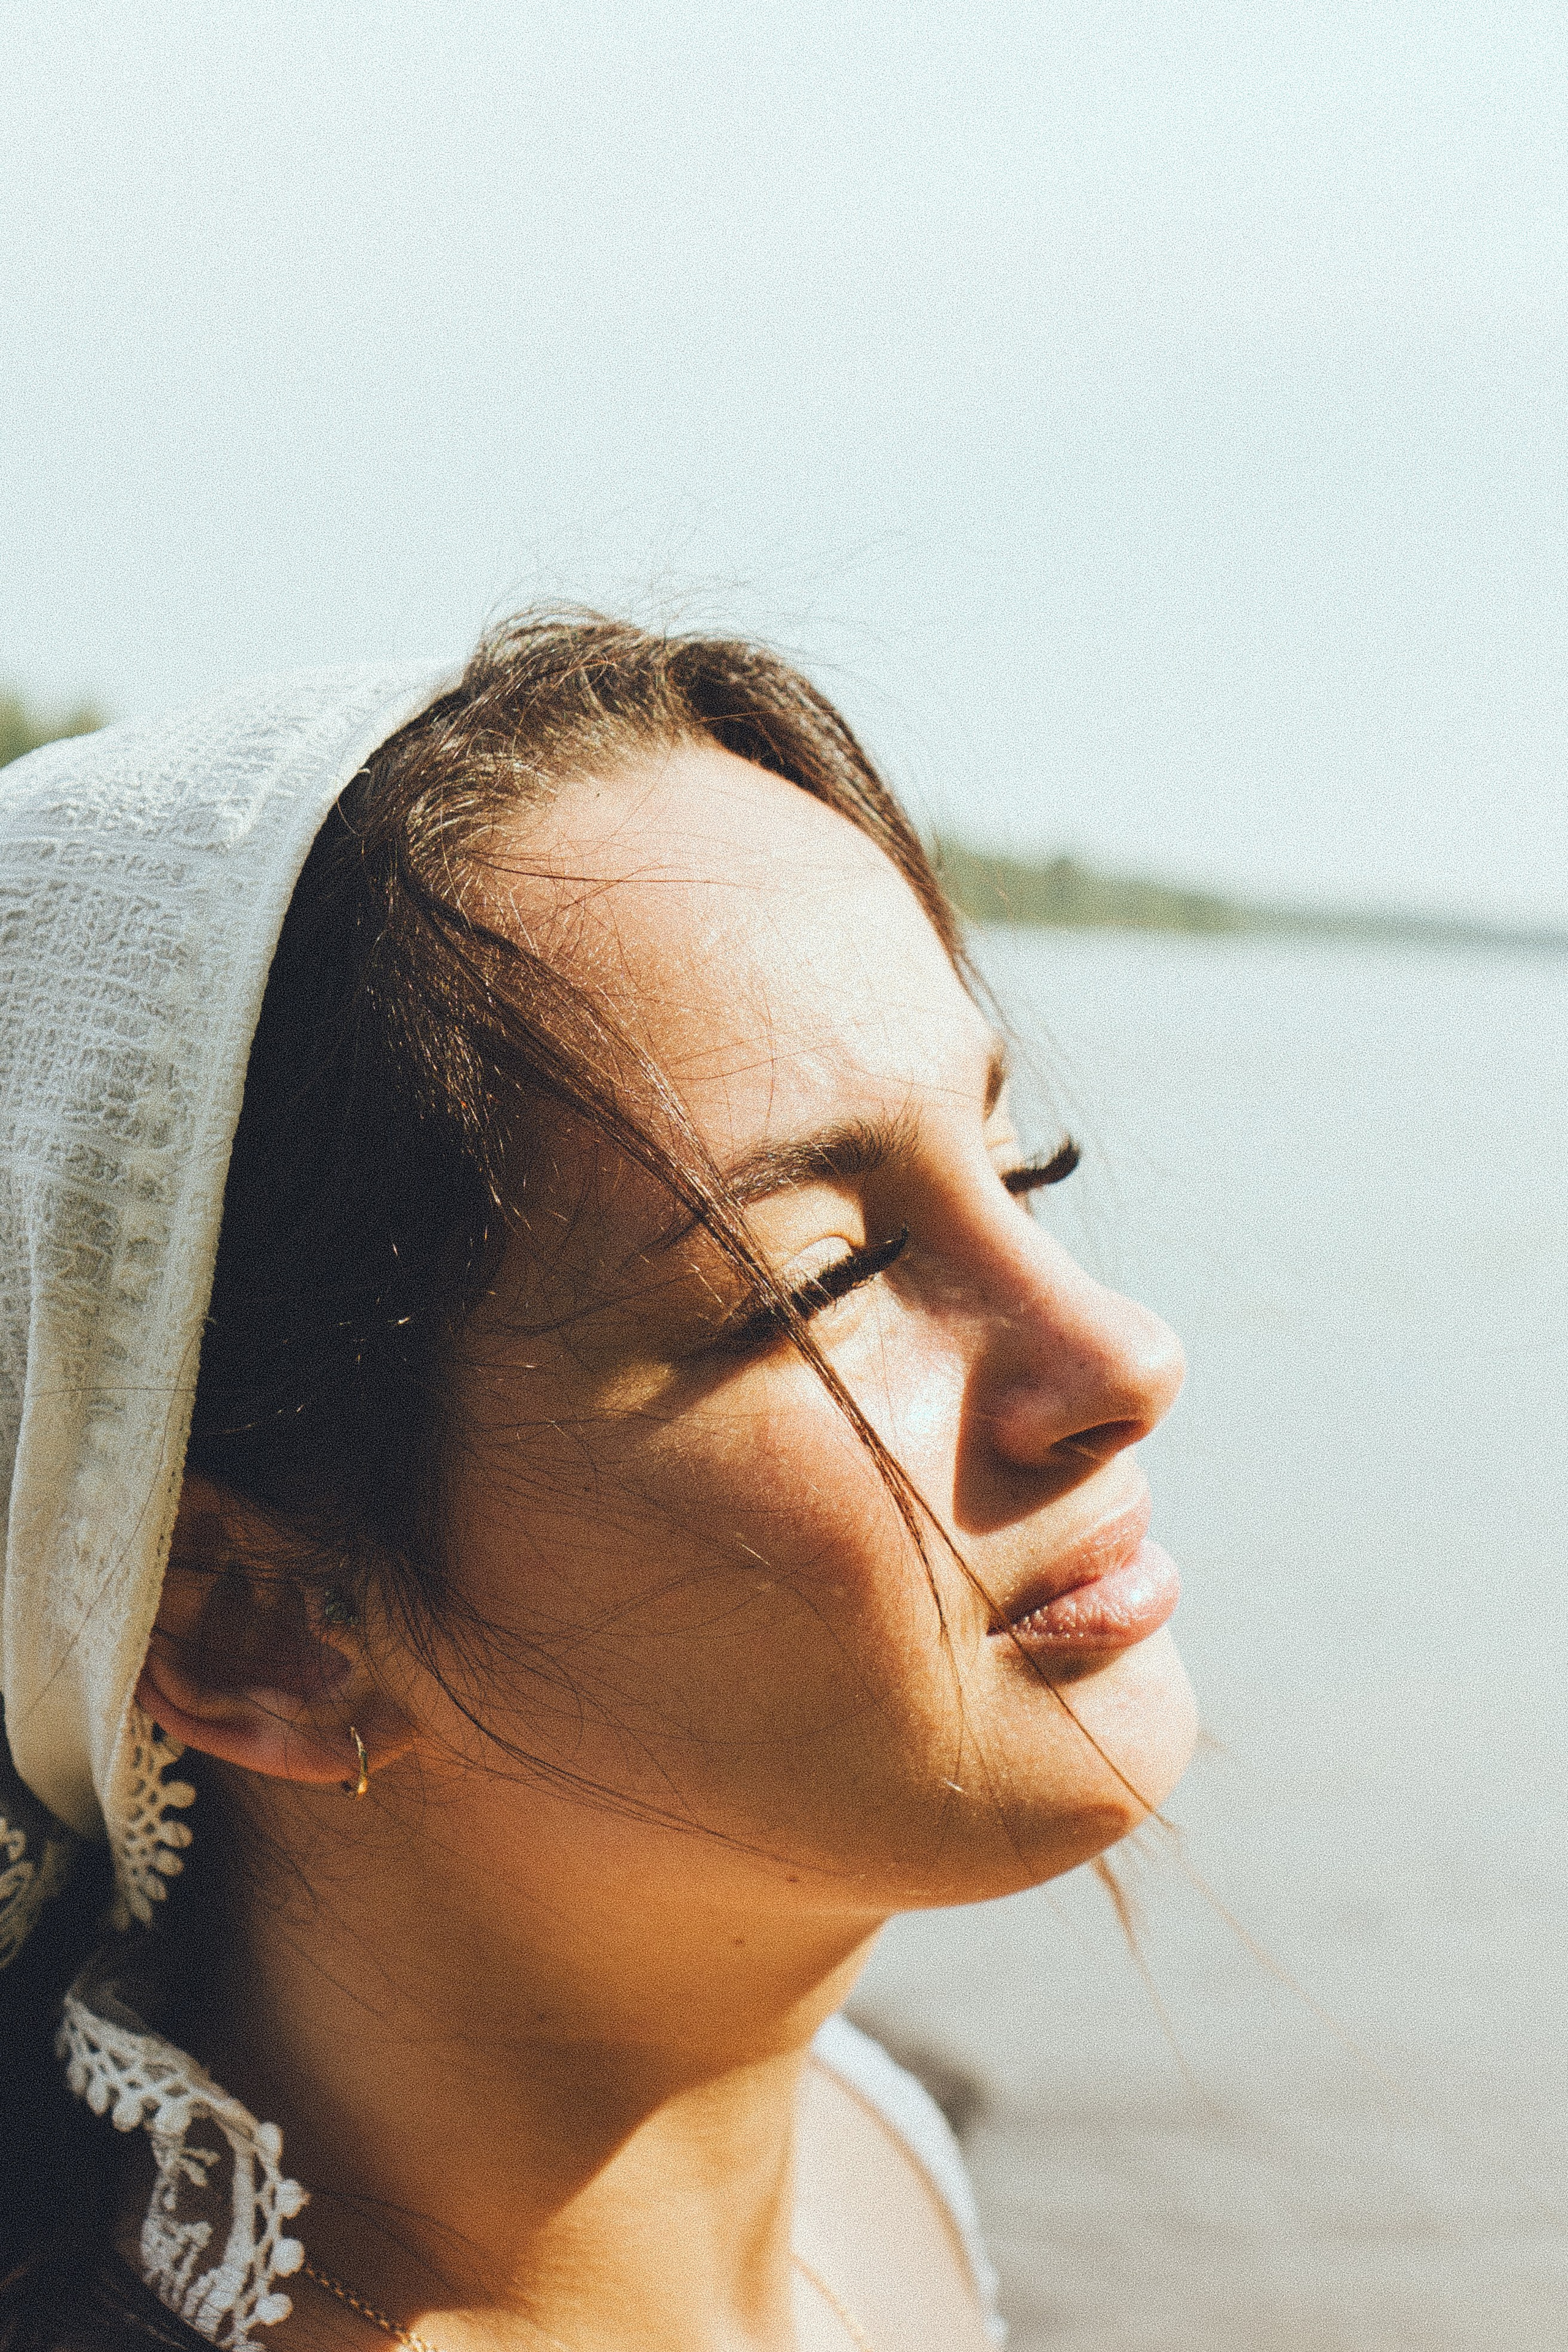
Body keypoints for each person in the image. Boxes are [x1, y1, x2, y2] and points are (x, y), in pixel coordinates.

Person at [0, 614, 1196, 2351]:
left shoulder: (878, 2145)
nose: (1123, 1357)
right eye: (821, 1285)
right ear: (260, 1631)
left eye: (1020, 1169)